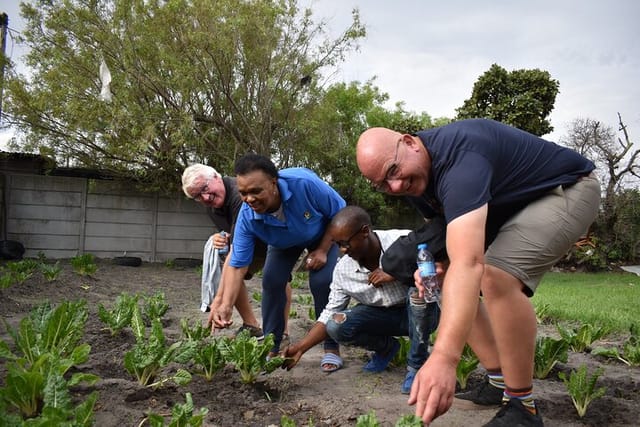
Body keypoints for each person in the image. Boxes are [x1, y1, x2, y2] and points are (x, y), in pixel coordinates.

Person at [356, 119, 600, 426]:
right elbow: (451, 237)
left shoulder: (461, 158)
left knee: (494, 276)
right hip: (508, 207)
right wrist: (440, 268)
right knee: (445, 282)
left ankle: (522, 406)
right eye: (382, 184)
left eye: (393, 171)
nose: (394, 186)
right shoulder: (415, 178)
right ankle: (497, 381)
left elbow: (469, 262)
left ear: (410, 142)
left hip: (564, 189)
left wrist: (444, 358)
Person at [209, 154, 347, 371]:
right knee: (272, 281)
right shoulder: (247, 216)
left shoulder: (305, 184)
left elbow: (341, 213)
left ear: (273, 183)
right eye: (243, 193)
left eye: (256, 191)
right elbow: (237, 265)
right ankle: (272, 347)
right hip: (283, 241)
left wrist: (321, 250)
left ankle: (331, 346)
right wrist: (225, 305)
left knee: (322, 281)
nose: (250, 199)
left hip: (322, 233)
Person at [283, 206, 441, 393]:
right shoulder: (343, 270)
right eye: (337, 244)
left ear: (365, 232)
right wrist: (301, 348)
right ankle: (386, 348)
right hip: (383, 318)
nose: (342, 250)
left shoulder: (404, 241)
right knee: (336, 325)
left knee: (418, 292)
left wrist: (396, 272)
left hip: (421, 314)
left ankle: (417, 365)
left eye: (345, 243)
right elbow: (329, 312)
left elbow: (435, 271)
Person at [181, 164, 292, 339]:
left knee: (278, 278)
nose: (205, 197)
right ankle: (251, 325)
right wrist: (219, 237)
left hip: (275, 235)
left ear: (216, 177)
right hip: (251, 242)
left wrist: (220, 302)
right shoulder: (211, 205)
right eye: (197, 196)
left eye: (205, 188)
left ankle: (282, 331)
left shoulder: (239, 195)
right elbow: (233, 236)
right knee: (231, 271)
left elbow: (237, 249)